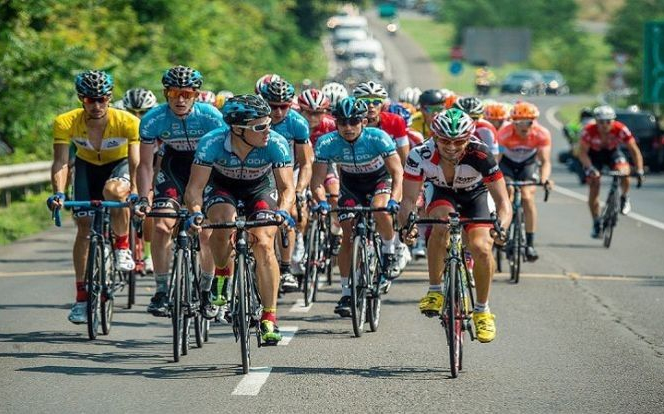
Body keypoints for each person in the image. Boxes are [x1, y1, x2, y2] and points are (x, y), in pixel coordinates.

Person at [184, 94, 295, 344]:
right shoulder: (211, 143)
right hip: (223, 187)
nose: (268, 130)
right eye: (260, 126)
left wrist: (284, 211)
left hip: (259, 188)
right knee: (222, 223)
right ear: (237, 128)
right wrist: (196, 213)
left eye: (268, 123)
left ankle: (269, 317)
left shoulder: (275, 143)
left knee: (265, 243)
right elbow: (194, 188)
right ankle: (222, 274)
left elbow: (287, 188)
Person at [399, 108, 511, 343]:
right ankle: (435, 290)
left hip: (475, 196)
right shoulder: (419, 154)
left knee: (481, 248)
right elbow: (408, 199)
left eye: (459, 141)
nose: (451, 147)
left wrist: (502, 226)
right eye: (445, 141)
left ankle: (482, 311)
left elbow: (502, 201)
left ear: (468, 138)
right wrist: (406, 226)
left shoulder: (481, 154)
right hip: (441, 193)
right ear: (434, 136)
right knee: (441, 225)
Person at [47, 70, 140, 324]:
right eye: (90, 100)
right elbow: (61, 162)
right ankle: (81, 298)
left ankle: (122, 246)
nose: (97, 105)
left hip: (118, 166)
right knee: (84, 231)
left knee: (114, 191)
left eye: (102, 99)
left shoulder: (128, 121)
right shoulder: (66, 122)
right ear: (81, 99)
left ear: (110, 98)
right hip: (87, 168)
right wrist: (59, 193)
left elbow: (135, 161)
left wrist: (135, 190)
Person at [134, 65, 226, 318]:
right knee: (162, 225)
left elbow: (224, 154)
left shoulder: (211, 117)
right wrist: (144, 197)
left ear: (196, 95)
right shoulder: (153, 118)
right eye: (174, 93)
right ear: (166, 94)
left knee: (206, 233)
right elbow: (144, 165)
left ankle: (207, 291)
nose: (180, 99)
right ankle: (162, 291)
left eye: (187, 93)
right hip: (173, 167)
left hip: (207, 169)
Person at [310, 97, 403, 317]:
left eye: (353, 122)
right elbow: (317, 182)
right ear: (336, 123)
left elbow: (398, 173)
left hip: (379, 181)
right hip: (351, 186)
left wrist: (394, 200)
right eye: (343, 123)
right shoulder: (326, 142)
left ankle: (389, 252)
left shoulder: (378, 137)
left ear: (363, 121)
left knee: (380, 209)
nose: (348, 127)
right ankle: (346, 291)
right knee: (348, 233)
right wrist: (322, 202)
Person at [258, 78, 312, 290]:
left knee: (287, 215)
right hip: (262, 170)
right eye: (273, 107)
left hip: (290, 169)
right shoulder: (256, 119)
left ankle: (287, 267)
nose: (278, 112)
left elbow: (306, 162)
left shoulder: (297, 123)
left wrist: (299, 191)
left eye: (284, 107)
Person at [496, 101, 553, 261]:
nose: (524, 126)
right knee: (508, 191)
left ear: (533, 121)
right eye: (519, 122)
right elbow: (496, 160)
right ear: (512, 121)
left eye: (528, 122)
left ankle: (530, 244)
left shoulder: (542, 134)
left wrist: (545, 178)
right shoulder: (504, 133)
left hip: (527, 165)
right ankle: (503, 232)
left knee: (527, 197)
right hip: (506, 164)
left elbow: (545, 161)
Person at [577, 105, 644, 238]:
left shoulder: (621, 129)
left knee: (624, 171)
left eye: (608, 121)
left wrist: (640, 169)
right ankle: (596, 221)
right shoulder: (588, 131)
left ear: (613, 121)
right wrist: (590, 168)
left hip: (613, 153)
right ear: (596, 121)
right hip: (594, 156)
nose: (604, 125)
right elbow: (582, 153)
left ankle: (624, 197)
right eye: (601, 121)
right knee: (594, 184)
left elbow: (634, 150)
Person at [121, 88, 159, 273]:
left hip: (153, 165)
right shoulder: (122, 124)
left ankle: (148, 254)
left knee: (149, 205)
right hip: (127, 165)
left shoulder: (159, 123)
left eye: (143, 113)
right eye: (132, 113)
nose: (137, 118)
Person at [352, 81, 409, 164]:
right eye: (365, 101)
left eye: (376, 102)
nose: (371, 105)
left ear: (382, 104)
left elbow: (404, 157)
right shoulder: (349, 123)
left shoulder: (395, 121)